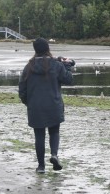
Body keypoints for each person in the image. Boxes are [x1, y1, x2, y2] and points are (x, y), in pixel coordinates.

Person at [18, 38, 74, 173]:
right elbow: (68, 79)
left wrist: (29, 102)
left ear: (35, 50)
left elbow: (22, 90)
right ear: (47, 48)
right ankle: (54, 154)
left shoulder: (29, 67)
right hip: (54, 104)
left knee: (39, 136)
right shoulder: (56, 65)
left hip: (35, 106)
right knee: (54, 132)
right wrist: (67, 65)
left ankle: (41, 166)